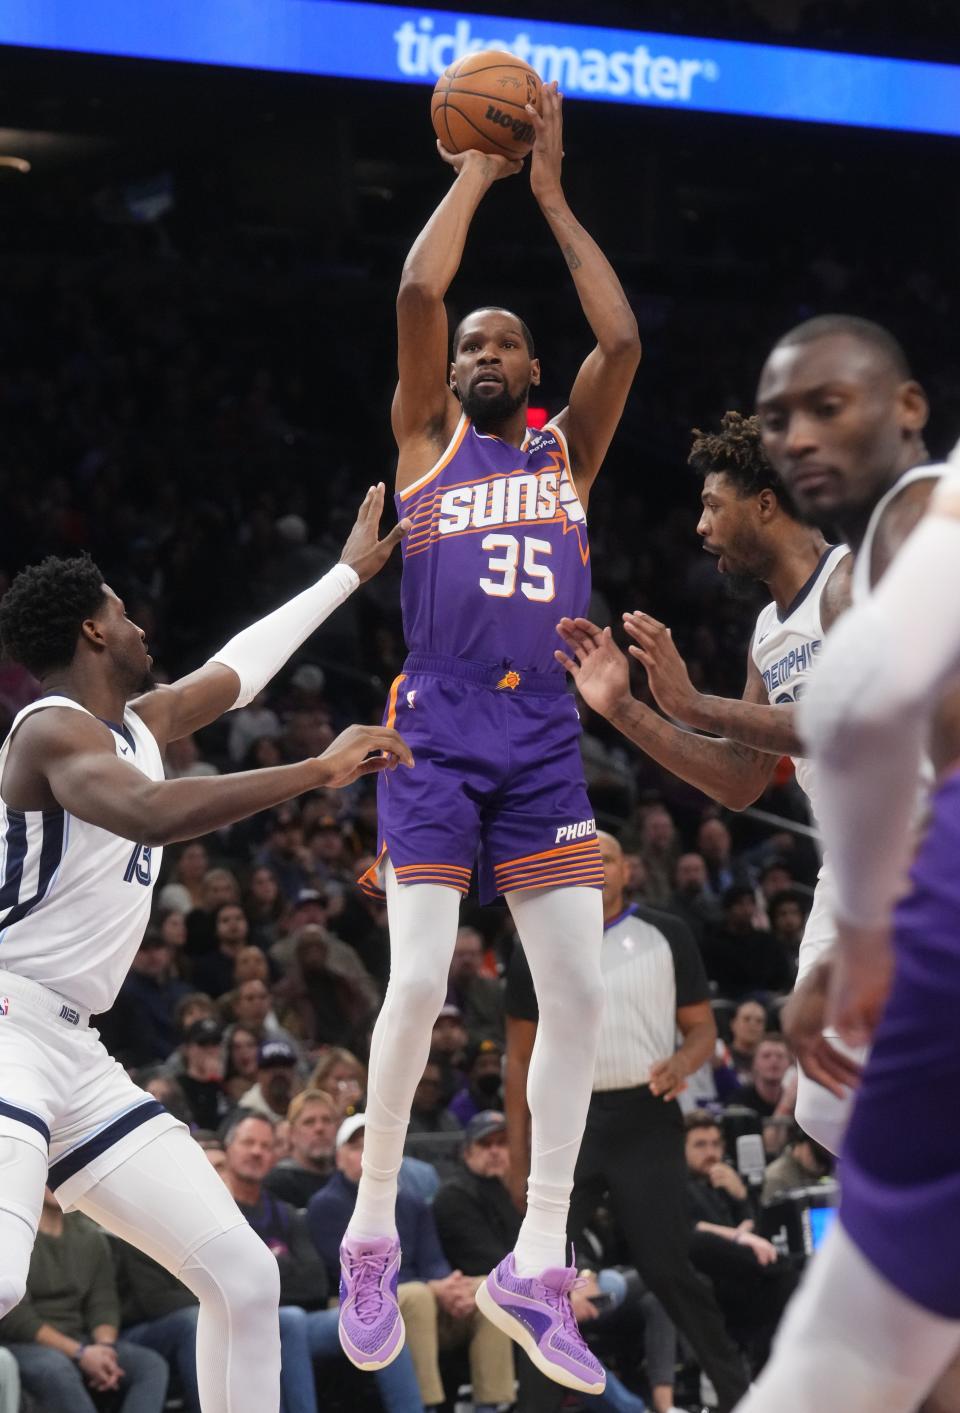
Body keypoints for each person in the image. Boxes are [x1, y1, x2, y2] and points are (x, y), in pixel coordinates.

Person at [345, 81, 641, 1396]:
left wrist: (557, 197)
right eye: (472, 341)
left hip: (542, 749)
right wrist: (474, 168)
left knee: (575, 998)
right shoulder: (425, 441)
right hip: (437, 733)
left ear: (531, 372)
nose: (480, 348)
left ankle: (536, 1257)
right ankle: (364, 1234)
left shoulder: (569, 449)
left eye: (503, 341)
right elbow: (416, 296)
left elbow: (622, 339)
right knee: (417, 986)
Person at [0, 485, 411, 1412]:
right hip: (8, 1019)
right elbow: (149, 812)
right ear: (93, 633)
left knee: (243, 1276)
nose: (138, 621)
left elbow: (240, 671)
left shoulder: (136, 727)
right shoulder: (50, 727)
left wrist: (348, 574)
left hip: (76, 1050)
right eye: (120, 608)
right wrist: (317, 768)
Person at [735, 321, 958, 1411]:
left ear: (909, 406)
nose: (800, 437)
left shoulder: (921, 516)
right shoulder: (900, 532)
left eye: (831, 406)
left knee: (857, 1334)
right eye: (780, 419)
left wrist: (864, 927)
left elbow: (859, 710)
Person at [552, 408, 854, 1152]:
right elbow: (740, 783)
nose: (700, 526)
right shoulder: (767, 632)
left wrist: (692, 701)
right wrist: (623, 708)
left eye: (713, 505)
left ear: (765, 502)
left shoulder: (852, 581)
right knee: (819, 1099)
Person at [505, 831, 749, 1412]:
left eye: (607, 855)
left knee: (667, 1268)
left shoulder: (668, 934)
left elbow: (701, 1029)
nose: (593, 862)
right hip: (571, 1120)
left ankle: (741, 1396)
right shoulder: (536, 943)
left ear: (627, 870)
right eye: (582, 854)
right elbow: (517, 1060)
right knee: (539, 1277)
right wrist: (519, 1159)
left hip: (646, 1115)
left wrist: (685, 1061)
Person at [220, 1110, 425, 1413]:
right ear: (229, 1149)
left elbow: (314, 1279)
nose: (257, 1152)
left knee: (376, 1317)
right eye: (248, 1143)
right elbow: (229, 1282)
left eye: (265, 1146)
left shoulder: (285, 1212)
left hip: (301, 1321)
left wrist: (265, 1275)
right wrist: (282, 1272)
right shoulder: (218, 1212)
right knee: (290, 1319)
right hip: (241, 1326)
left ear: (276, 1154)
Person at [309, 1114, 512, 1412]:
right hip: (352, 1307)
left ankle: (491, 1405)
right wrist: (433, 1287)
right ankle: (424, 1406)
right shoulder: (326, 1204)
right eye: (356, 1147)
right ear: (339, 1158)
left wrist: (449, 1288)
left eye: (376, 1145)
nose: (368, 1154)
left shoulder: (411, 1202)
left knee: (485, 1290)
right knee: (418, 1295)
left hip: (420, 1304)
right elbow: (351, 1276)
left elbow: (434, 1262)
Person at [0, 1187, 168, 1413]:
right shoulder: (11, 1235)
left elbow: (103, 1302)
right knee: (55, 1368)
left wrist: (103, 1350)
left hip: (81, 1339)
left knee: (149, 1365)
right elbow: (17, 1318)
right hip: (23, 1344)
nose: (53, 1182)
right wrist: (81, 1353)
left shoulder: (89, 1236)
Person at [683, 1113, 795, 1371]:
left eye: (715, 1144)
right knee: (783, 1276)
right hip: (705, 1272)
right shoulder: (679, 1186)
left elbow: (757, 1230)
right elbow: (690, 1234)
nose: (710, 1152)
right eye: (700, 1145)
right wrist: (737, 1234)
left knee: (783, 1279)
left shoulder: (724, 1181)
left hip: (741, 1270)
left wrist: (742, 1196)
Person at [263, 1087, 339, 1207]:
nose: (320, 1128)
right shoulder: (276, 1184)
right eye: (309, 1122)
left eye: (327, 1120)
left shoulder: (349, 1179)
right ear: (292, 1133)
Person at [761, 1125, 833, 1204]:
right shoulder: (777, 1178)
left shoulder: (814, 1173)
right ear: (801, 1145)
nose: (821, 1163)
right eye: (816, 1151)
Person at [237, 1038, 303, 1121]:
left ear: (293, 1072)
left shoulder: (302, 1106)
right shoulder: (246, 1113)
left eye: (284, 1065)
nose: (279, 1072)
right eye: (271, 1067)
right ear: (258, 1074)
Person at [735, 1035, 793, 1119]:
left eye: (780, 1056)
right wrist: (786, 1105)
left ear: (789, 1063)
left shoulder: (797, 1102)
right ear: (754, 1063)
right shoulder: (740, 1101)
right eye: (766, 1056)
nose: (774, 1061)